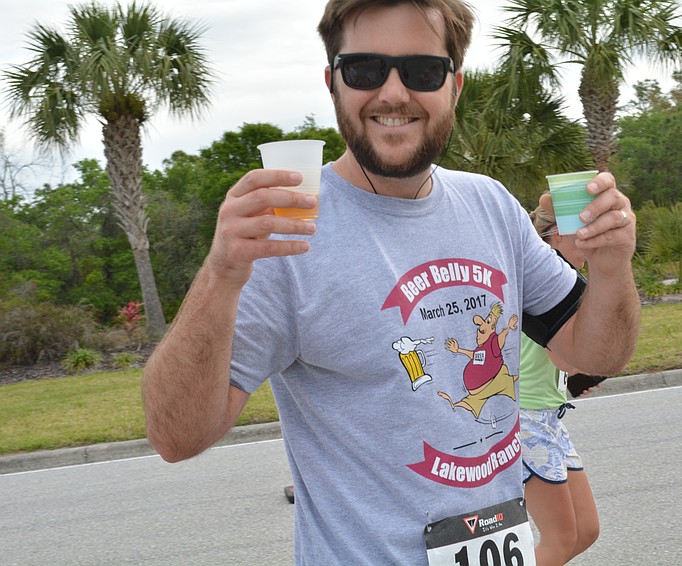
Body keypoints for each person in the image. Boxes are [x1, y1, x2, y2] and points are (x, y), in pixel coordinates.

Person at [141, 1, 640, 564]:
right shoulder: (286, 237)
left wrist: (612, 266)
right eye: (365, 70)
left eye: (422, 71)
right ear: (333, 83)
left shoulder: (491, 205)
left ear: (454, 86)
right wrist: (220, 274)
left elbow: (593, 353)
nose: (394, 93)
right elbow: (176, 438)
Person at [520, 196, 604, 565]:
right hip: (525, 419)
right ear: (556, 235)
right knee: (560, 539)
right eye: (582, 233)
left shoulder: (566, 280)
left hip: (549, 416)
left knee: (585, 530)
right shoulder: (542, 281)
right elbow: (564, 356)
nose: (590, 241)